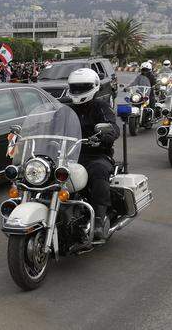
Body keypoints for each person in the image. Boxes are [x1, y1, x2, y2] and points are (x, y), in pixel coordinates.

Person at [67, 68, 120, 241]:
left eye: (83, 87)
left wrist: (106, 134)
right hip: (70, 155)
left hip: (96, 155)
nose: (78, 90)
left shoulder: (101, 107)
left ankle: (98, 219)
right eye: (75, 87)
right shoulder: (66, 109)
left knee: (98, 172)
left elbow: (113, 127)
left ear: (94, 86)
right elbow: (53, 124)